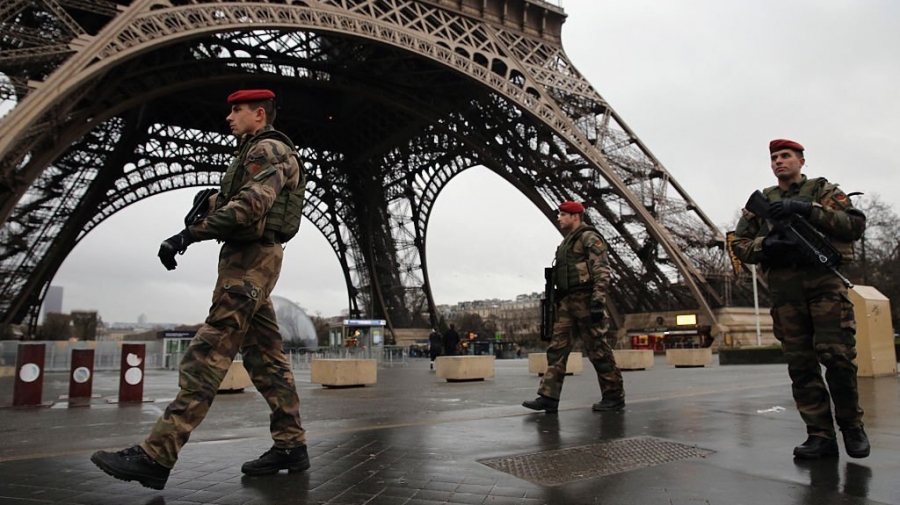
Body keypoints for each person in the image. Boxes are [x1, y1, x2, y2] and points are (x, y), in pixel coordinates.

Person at [91, 89, 309, 489]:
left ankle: (157, 454)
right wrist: (211, 199)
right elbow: (239, 200)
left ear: (259, 114)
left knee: (206, 355)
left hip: (249, 266)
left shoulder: (269, 150)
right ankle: (291, 445)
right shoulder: (254, 152)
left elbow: (251, 207)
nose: (229, 116)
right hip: (251, 264)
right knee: (267, 360)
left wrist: (188, 235)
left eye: (237, 110)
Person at [731, 139, 869, 460]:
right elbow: (739, 244)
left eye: (786, 156)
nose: (779, 161)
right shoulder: (762, 201)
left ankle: (851, 426)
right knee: (801, 366)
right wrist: (768, 246)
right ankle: (819, 435)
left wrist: (807, 210)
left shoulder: (823, 191)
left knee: (838, 359)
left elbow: (854, 224)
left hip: (825, 287)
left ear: (801, 161)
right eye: (774, 157)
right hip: (785, 294)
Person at [523, 201, 625, 414]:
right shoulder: (567, 243)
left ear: (575, 216)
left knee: (598, 350)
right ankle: (548, 396)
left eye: (562, 214)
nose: (559, 218)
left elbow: (602, 269)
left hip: (587, 301)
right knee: (557, 349)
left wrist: (598, 300)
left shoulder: (589, 237)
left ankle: (614, 396)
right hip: (568, 303)